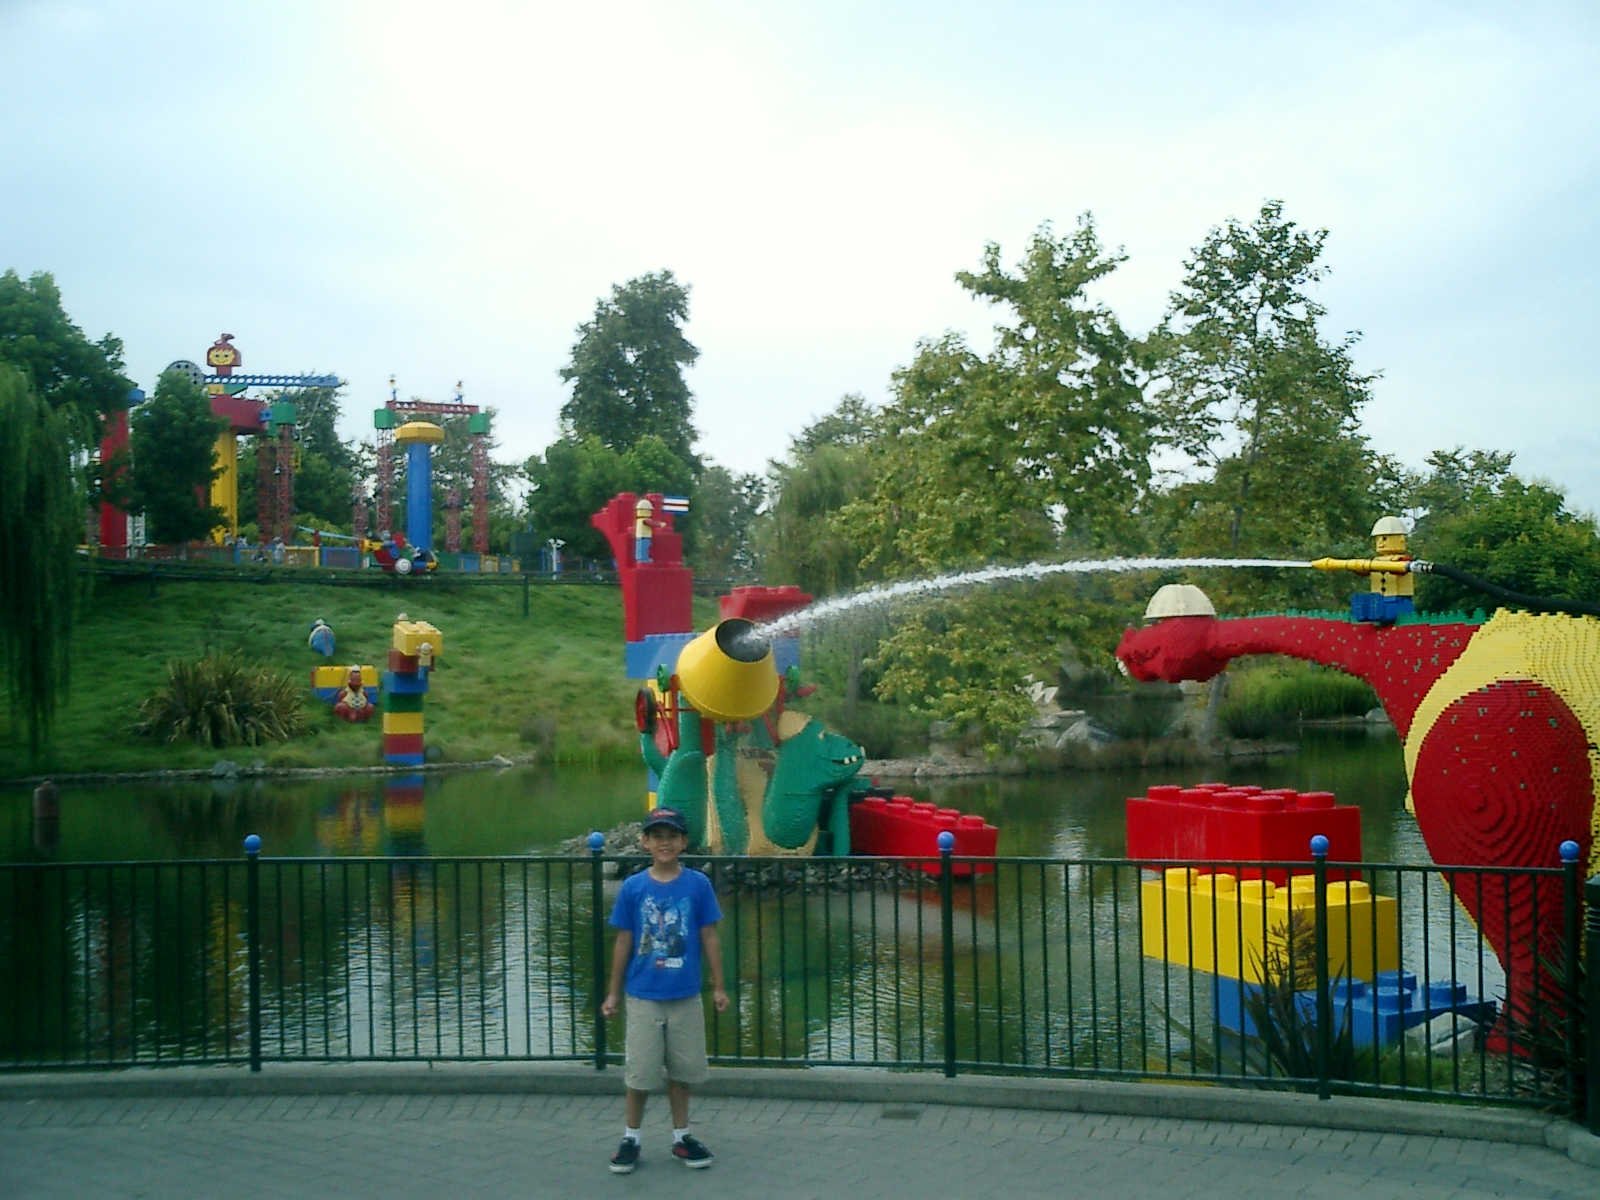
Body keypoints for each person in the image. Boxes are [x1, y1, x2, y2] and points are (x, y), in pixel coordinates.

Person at [602, 807, 728, 1173]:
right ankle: (631, 1137)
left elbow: (709, 936)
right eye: (657, 837)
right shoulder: (633, 887)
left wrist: (719, 986)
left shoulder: (698, 885)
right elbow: (624, 940)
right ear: (645, 842)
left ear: (683, 842)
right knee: (640, 1073)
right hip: (643, 995)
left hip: (685, 995)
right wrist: (613, 993)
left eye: (672, 836)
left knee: (682, 1072)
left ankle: (681, 1136)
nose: (665, 843)